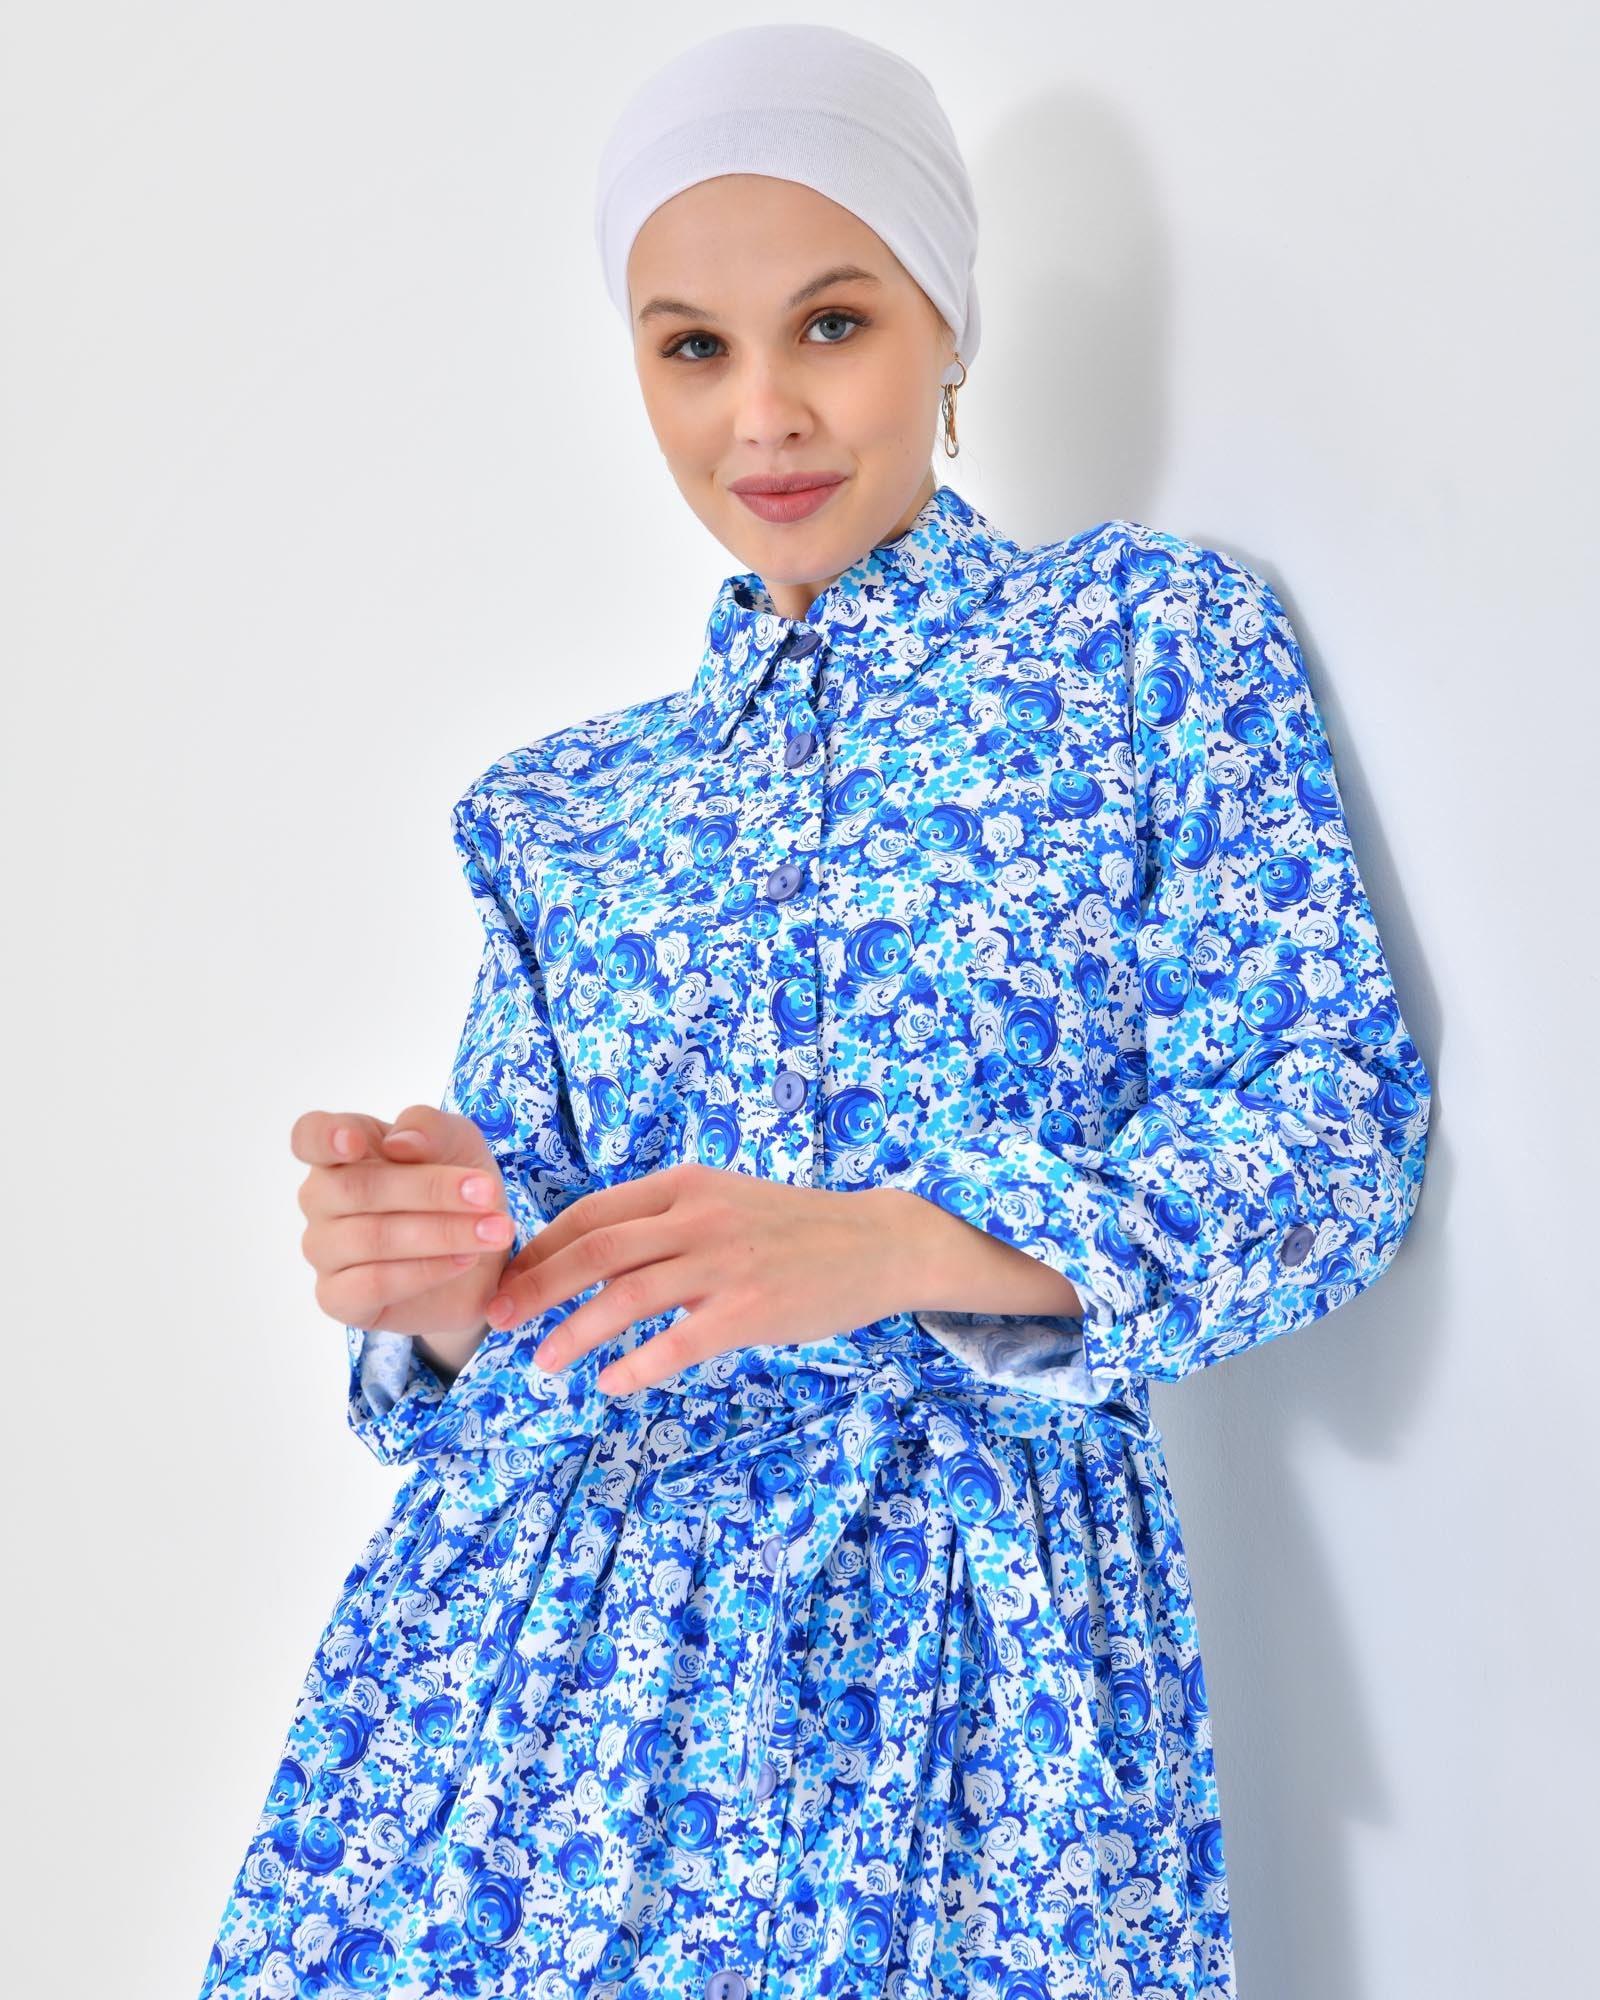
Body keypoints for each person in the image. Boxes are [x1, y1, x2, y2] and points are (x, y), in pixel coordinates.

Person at [198, 23, 1431, 2000]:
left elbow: (1332, 1131)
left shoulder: (1148, 645)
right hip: (540, 1690)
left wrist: (896, 1246)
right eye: (691, 346)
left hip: (975, 1670)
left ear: (947, 323)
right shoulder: (559, 813)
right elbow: (526, 1313)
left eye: (831, 323)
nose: (761, 413)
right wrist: (432, 1288)